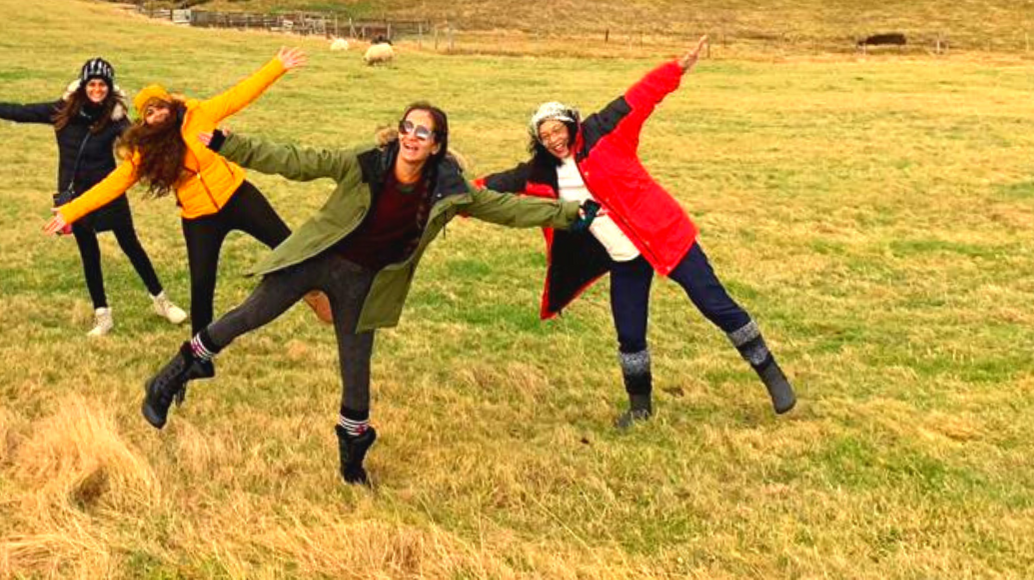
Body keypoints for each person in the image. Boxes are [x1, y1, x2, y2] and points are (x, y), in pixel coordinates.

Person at [138, 102, 587, 486]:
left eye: (423, 131)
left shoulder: (448, 191)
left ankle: (352, 465)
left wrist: (569, 214)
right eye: (407, 126)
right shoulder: (366, 162)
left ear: (436, 144)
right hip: (317, 256)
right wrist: (229, 145)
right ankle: (171, 376)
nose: (412, 136)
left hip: (363, 283)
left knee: (356, 369)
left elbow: (508, 208)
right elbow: (299, 161)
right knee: (252, 314)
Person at [478, 36, 796, 427]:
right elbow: (490, 188)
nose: (553, 140)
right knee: (629, 332)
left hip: (667, 237)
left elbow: (640, 97)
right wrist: (446, 193)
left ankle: (772, 375)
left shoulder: (604, 131)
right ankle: (640, 408)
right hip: (624, 259)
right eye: (544, 137)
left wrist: (677, 68)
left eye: (556, 130)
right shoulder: (539, 174)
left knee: (715, 304)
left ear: (569, 124)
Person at [45, 48, 331, 360]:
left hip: (236, 195)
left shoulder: (199, 114)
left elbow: (239, 94)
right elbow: (112, 185)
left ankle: (316, 293)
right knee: (201, 286)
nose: (157, 115)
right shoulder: (146, 151)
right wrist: (71, 210)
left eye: (160, 107)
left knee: (287, 245)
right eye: (149, 113)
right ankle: (198, 356)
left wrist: (278, 66)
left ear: (170, 104)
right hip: (199, 218)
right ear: (144, 120)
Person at [0, 57, 185, 337]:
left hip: (107, 192)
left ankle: (161, 302)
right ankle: (103, 316)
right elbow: (22, 112)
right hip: (74, 196)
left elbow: (141, 141)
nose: (97, 89)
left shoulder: (115, 117)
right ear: (84, 85)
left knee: (131, 245)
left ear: (109, 88)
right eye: (93, 84)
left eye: (102, 85)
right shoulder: (62, 111)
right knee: (89, 254)